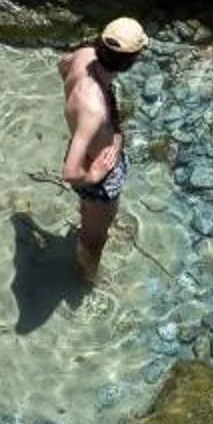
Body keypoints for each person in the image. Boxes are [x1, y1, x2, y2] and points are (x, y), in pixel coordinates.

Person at [58, 17, 145, 285]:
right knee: (94, 241)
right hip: (98, 179)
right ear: (131, 61)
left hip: (89, 154)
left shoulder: (83, 56)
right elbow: (69, 173)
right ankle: (89, 279)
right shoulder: (93, 110)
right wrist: (95, 175)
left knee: (93, 216)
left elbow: (61, 65)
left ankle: (89, 215)